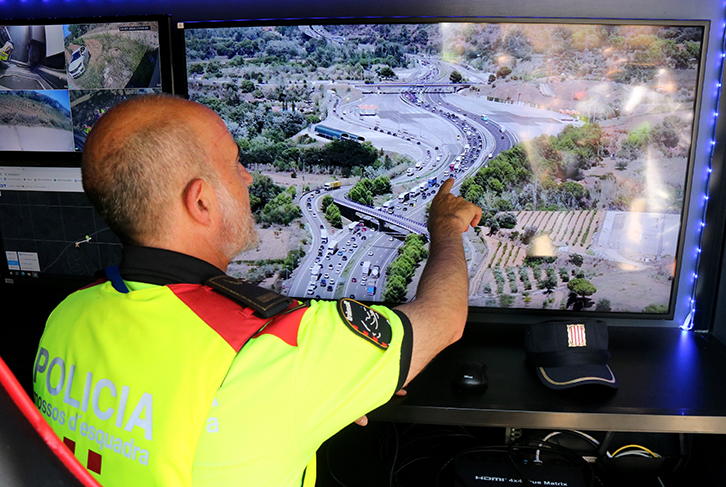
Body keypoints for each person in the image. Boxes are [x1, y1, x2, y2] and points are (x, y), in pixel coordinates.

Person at [32, 94, 482, 487]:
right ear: (201, 201)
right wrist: (445, 226)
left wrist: (317, 388)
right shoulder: (274, 346)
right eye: (234, 164)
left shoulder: (66, 316)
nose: (247, 177)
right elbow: (444, 319)